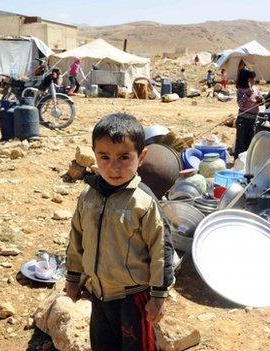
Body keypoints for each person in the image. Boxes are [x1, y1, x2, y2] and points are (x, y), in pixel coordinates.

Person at [65, 113, 175, 351]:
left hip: (134, 298)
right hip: (99, 294)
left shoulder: (143, 202)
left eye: (124, 157)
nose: (113, 167)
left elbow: (161, 250)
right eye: (104, 157)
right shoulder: (88, 196)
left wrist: (158, 296)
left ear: (141, 157)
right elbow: (77, 239)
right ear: (94, 155)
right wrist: (73, 278)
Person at [234, 68, 263, 156]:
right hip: (243, 121)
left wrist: (260, 100)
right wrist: (247, 94)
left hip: (253, 120)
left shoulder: (256, 89)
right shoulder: (241, 90)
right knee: (241, 144)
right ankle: (238, 163)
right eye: (253, 78)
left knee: (250, 143)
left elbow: (262, 102)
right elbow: (241, 104)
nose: (254, 80)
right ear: (248, 79)